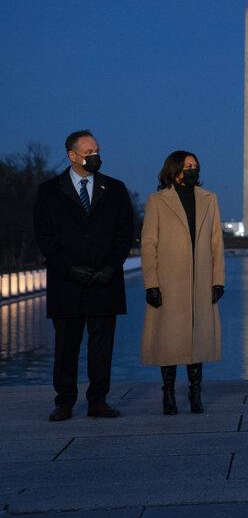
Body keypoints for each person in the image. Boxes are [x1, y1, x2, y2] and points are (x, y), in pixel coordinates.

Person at [33, 130, 134, 421]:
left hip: (105, 280)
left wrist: (111, 266)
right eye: (89, 151)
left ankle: (98, 400)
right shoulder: (49, 191)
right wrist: (68, 268)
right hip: (67, 281)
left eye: (97, 150)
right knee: (66, 345)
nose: (95, 155)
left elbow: (124, 234)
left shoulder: (115, 189)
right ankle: (64, 401)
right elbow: (45, 237)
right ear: (72, 156)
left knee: (102, 346)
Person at [140, 151, 225, 415]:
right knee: (169, 341)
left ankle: (195, 393)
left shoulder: (210, 199)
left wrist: (218, 279)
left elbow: (216, 243)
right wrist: (151, 283)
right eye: (188, 166)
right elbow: (148, 244)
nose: (193, 170)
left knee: (197, 340)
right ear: (175, 170)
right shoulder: (157, 201)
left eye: (196, 166)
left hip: (199, 281)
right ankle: (168, 393)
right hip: (169, 281)